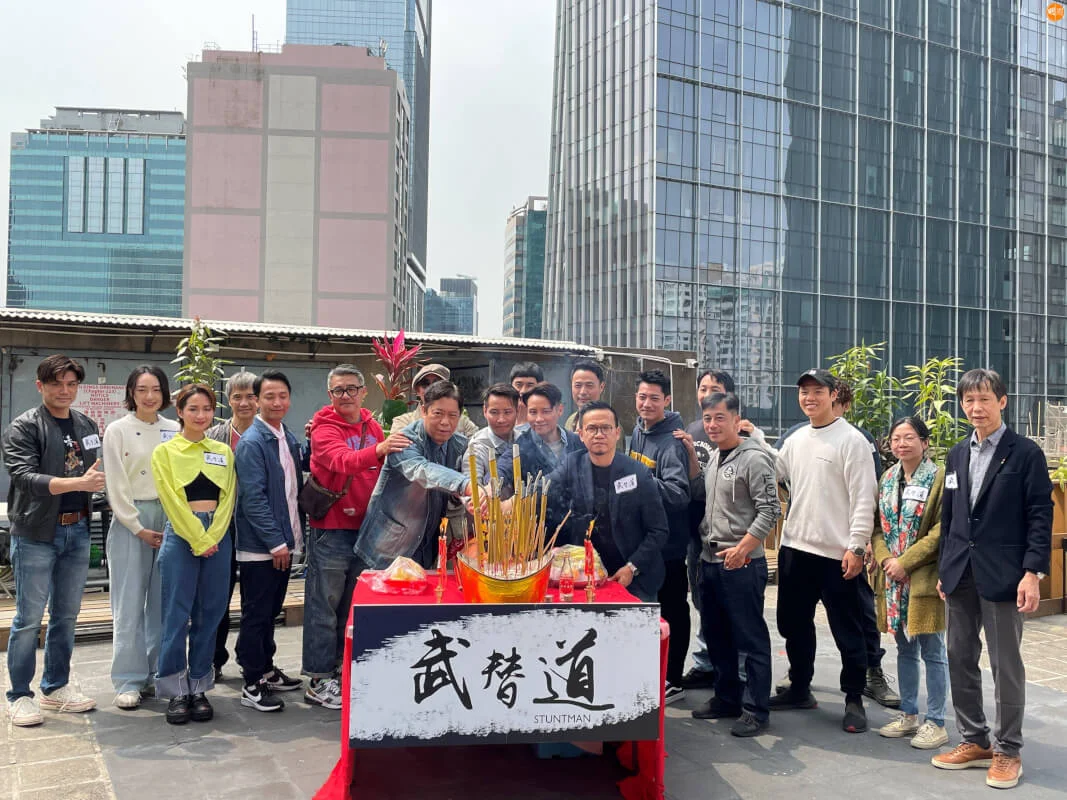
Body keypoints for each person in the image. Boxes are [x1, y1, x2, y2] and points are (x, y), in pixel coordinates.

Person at [932, 369, 1052, 789]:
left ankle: (1008, 750)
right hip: (960, 573)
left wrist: (1032, 573)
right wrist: (945, 568)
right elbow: (950, 518)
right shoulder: (956, 453)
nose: (976, 408)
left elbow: (1040, 515)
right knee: (959, 656)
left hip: (1005, 576)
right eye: (969, 400)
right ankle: (974, 739)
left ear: (1002, 402)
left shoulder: (1025, 453)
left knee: (1006, 665)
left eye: (984, 399)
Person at [774, 376, 899, 709]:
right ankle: (800, 687)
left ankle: (854, 698)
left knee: (848, 630)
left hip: (837, 555)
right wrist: (752, 439)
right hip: (795, 549)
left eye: (818, 392)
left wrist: (857, 546)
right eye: (804, 392)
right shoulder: (796, 439)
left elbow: (864, 499)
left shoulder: (852, 441)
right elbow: (774, 469)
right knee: (794, 625)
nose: (810, 398)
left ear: (833, 396)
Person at [2, 355, 103, 727]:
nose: (65, 390)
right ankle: (19, 695)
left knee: (66, 616)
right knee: (28, 619)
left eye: (72, 384)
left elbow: (94, 468)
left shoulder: (86, 424)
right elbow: (25, 477)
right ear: (40, 385)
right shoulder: (24, 427)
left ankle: (55, 686)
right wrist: (79, 483)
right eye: (57, 383)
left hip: (78, 530)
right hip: (36, 533)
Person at [301, 365, 409, 710]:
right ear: (329, 395)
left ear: (364, 392)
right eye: (338, 390)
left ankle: (340, 669)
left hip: (366, 529)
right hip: (331, 529)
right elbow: (342, 461)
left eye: (351, 389)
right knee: (323, 606)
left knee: (351, 605)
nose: (345, 395)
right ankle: (318, 678)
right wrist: (380, 449)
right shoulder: (323, 428)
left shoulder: (372, 425)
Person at [690, 392, 779, 737]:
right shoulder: (715, 457)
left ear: (736, 419)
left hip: (741, 564)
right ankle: (726, 698)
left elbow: (770, 510)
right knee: (717, 635)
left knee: (750, 639)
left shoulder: (754, 458)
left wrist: (743, 549)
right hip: (709, 561)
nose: (712, 425)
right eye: (707, 418)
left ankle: (756, 709)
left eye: (720, 418)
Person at [151, 383, 237, 725]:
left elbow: (229, 497)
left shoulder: (222, 451)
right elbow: (171, 501)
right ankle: (175, 690)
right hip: (182, 535)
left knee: (210, 613)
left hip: (218, 535)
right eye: (193, 409)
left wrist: (213, 534)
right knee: (176, 614)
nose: (201, 415)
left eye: (207, 409)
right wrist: (199, 538)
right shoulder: (165, 452)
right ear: (180, 412)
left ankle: (199, 686)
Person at [103, 365, 180, 710]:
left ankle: (157, 673)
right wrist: (136, 526)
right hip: (130, 518)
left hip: (170, 518)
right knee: (129, 602)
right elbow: (115, 483)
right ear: (131, 393)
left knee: (164, 602)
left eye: (156, 389)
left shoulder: (175, 429)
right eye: (141, 390)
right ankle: (128, 680)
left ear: (165, 393)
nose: (149, 396)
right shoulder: (117, 430)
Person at [873, 417, 949, 749]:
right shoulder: (888, 478)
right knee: (904, 649)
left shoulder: (939, 478)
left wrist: (905, 562)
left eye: (909, 438)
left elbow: (941, 530)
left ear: (925, 442)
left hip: (924, 578)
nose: (901, 444)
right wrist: (886, 560)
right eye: (896, 439)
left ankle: (937, 721)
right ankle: (908, 714)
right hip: (892, 579)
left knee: (933, 650)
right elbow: (877, 528)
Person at [234, 370, 306, 713]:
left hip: (283, 542)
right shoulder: (253, 442)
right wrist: (276, 542)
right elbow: (253, 499)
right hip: (262, 547)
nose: (277, 402)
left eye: (282, 396)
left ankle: (265, 669)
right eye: (269, 396)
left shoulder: (285, 436)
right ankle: (251, 682)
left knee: (270, 611)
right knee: (257, 613)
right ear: (257, 400)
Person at [546, 401, 667, 602]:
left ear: (617, 433)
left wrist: (632, 567)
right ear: (581, 434)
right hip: (585, 577)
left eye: (606, 428)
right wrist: (511, 502)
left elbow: (658, 531)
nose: (599, 434)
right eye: (592, 428)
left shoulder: (638, 473)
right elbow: (544, 489)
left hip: (634, 577)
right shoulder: (572, 464)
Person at [355, 380, 475, 569]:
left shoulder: (460, 444)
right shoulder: (403, 440)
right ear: (424, 411)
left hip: (427, 546)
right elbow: (422, 470)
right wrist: (466, 485)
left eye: (453, 415)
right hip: (388, 548)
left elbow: (467, 472)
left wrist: (470, 498)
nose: (445, 422)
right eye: (438, 413)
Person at [629, 369, 691, 704]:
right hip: (645, 544)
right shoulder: (639, 431)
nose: (647, 403)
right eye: (642, 397)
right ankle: (654, 672)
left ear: (667, 400)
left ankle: (673, 679)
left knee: (673, 611)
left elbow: (678, 494)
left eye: (654, 398)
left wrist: (640, 479)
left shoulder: (672, 442)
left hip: (669, 546)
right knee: (651, 612)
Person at [206, 370, 258, 682]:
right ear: (228, 400)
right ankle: (213, 660)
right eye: (237, 396)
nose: (244, 402)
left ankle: (254, 662)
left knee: (255, 600)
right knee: (217, 597)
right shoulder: (214, 436)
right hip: (221, 526)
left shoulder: (269, 434)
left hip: (256, 528)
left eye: (250, 396)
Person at [514, 383, 586, 487]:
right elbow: (504, 468)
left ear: (560, 410)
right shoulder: (520, 446)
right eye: (533, 412)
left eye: (546, 412)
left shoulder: (578, 443)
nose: (539, 419)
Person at [391, 363, 479, 437]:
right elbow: (401, 449)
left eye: (437, 384)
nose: (431, 388)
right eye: (425, 384)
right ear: (417, 390)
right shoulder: (403, 422)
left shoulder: (463, 423)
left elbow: (477, 447)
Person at [463, 383, 520, 489]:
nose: (501, 419)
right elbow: (473, 492)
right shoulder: (476, 450)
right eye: (494, 412)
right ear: (485, 411)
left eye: (507, 412)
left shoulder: (523, 440)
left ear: (517, 411)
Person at [564, 359, 606, 432]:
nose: (583, 392)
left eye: (589, 385)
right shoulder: (570, 420)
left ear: (601, 387)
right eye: (578, 385)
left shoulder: (609, 424)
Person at [510, 361, 544, 432]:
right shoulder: (502, 415)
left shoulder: (544, 419)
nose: (523, 391)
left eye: (530, 385)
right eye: (518, 385)